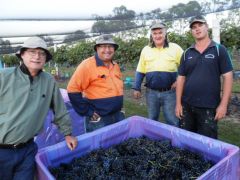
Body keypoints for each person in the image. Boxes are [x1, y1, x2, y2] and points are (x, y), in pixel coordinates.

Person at [0, 37, 78, 180]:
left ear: (46, 59)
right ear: (22, 54)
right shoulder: (4, 77)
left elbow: (60, 109)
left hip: (27, 149)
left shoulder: (48, 81)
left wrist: (67, 133)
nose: (37, 56)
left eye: (42, 53)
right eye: (32, 52)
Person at [175, 15, 233, 139]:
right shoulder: (186, 53)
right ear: (191, 32)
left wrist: (223, 105)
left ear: (207, 27)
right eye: (194, 27)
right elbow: (181, 78)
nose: (197, 29)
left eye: (200, 25)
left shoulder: (219, 50)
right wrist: (178, 103)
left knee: (207, 143)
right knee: (186, 140)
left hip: (209, 106)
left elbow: (228, 77)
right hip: (187, 105)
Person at [67, 34, 124, 132]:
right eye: (103, 46)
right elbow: (72, 89)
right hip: (99, 119)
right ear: (97, 48)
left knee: (120, 141)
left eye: (110, 46)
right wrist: (87, 111)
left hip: (117, 115)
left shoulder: (115, 66)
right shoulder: (87, 65)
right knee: (101, 145)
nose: (107, 50)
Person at [132, 21, 183, 127]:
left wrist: (178, 81)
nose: (158, 35)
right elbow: (140, 70)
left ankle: (175, 143)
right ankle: (154, 142)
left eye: (160, 32)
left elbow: (186, 67)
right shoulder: (146, 50)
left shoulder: (175, 48)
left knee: (172, 120)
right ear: (151, 35)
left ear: (165, 34)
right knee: (152, 119)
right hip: (151, 93)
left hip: (170, 93)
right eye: (155, 33)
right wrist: (136, 87)